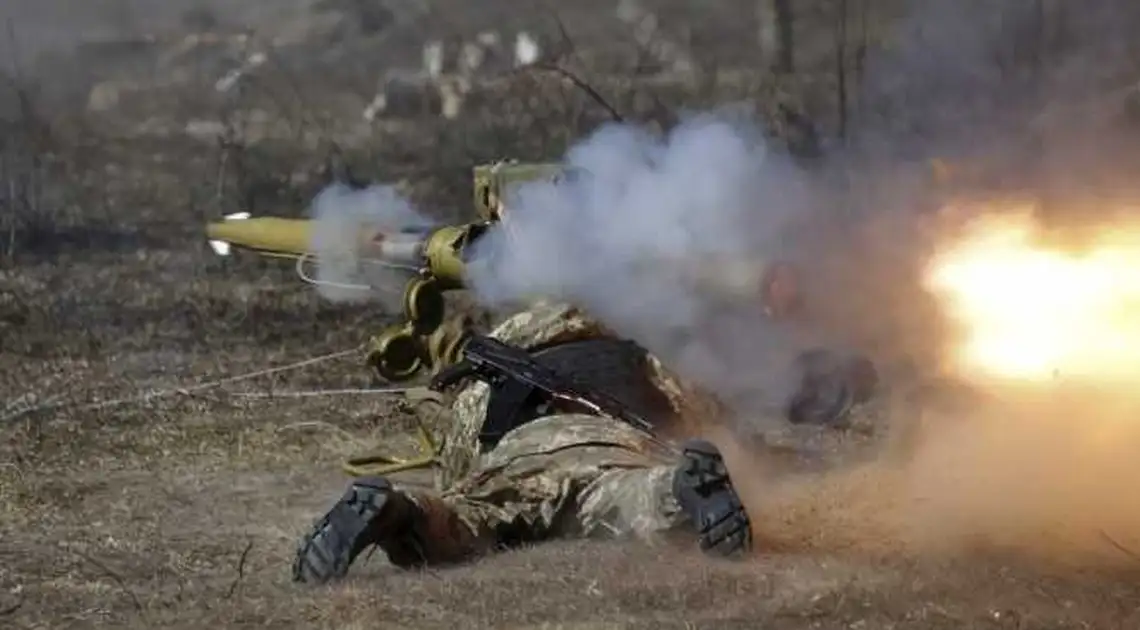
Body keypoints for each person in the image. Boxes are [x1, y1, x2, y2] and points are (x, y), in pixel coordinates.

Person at [291, 300, 753, 585]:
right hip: (608, 447)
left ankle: (398, 512)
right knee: (631, 499)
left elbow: (461, 454)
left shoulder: (490, 366)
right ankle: (678, 490)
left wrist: (456, 493)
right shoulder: (638, 357)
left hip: (513, 454)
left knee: (462, 521)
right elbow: (701, 414)